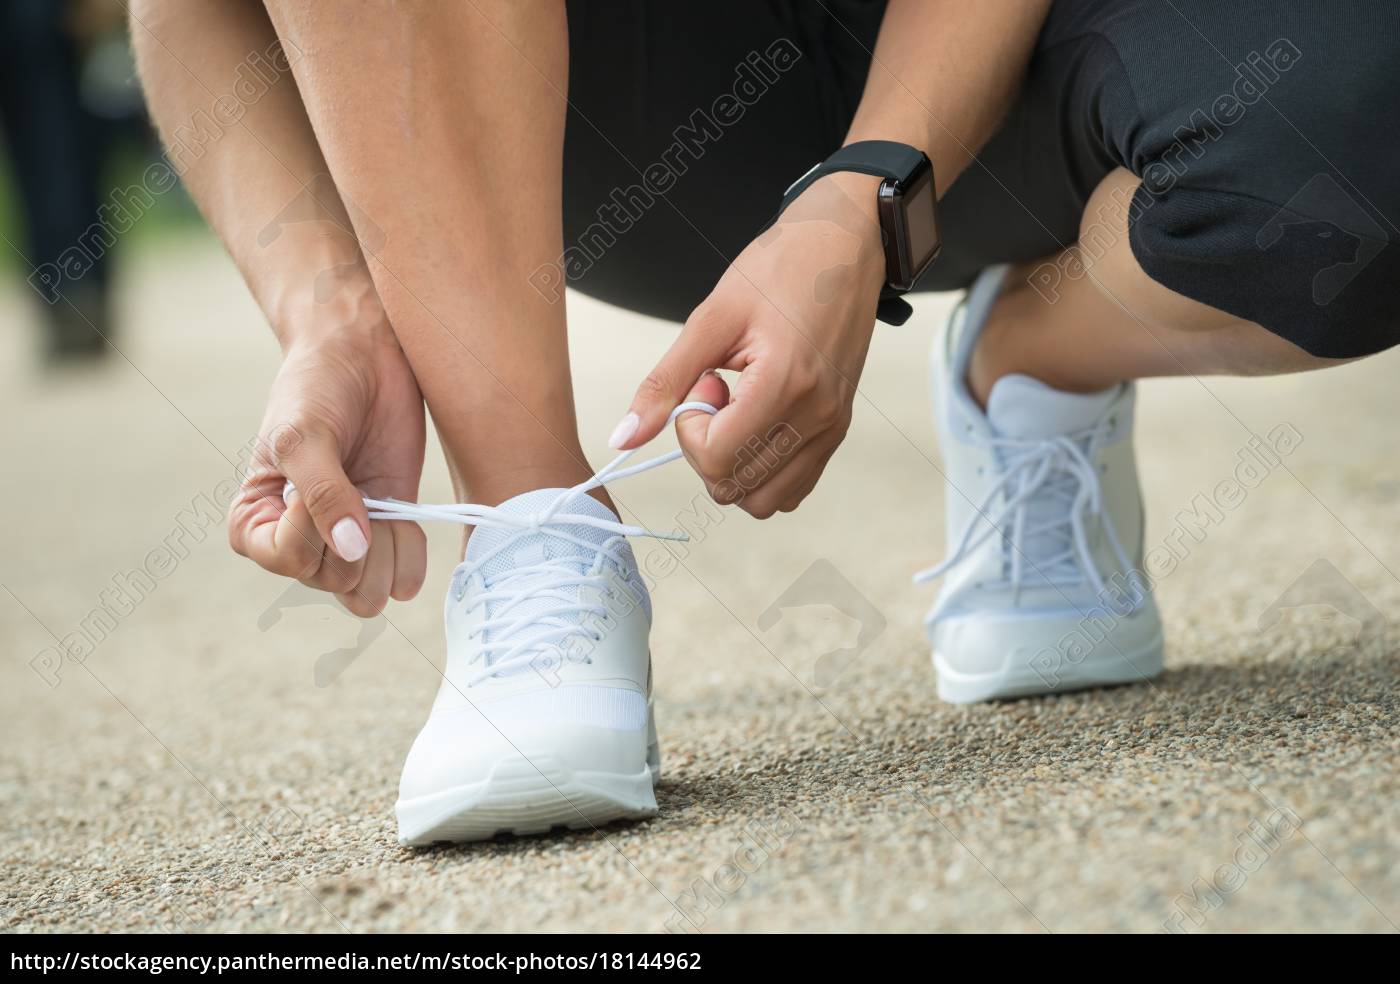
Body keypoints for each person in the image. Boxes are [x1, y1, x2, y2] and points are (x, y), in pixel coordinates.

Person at [131, 0, 1400, 844]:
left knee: (1363, 135)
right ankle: (533, 521)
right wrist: (331, 310)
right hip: (581, 95)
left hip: (1022, 56)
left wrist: (864, 190)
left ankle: (1026, 362)